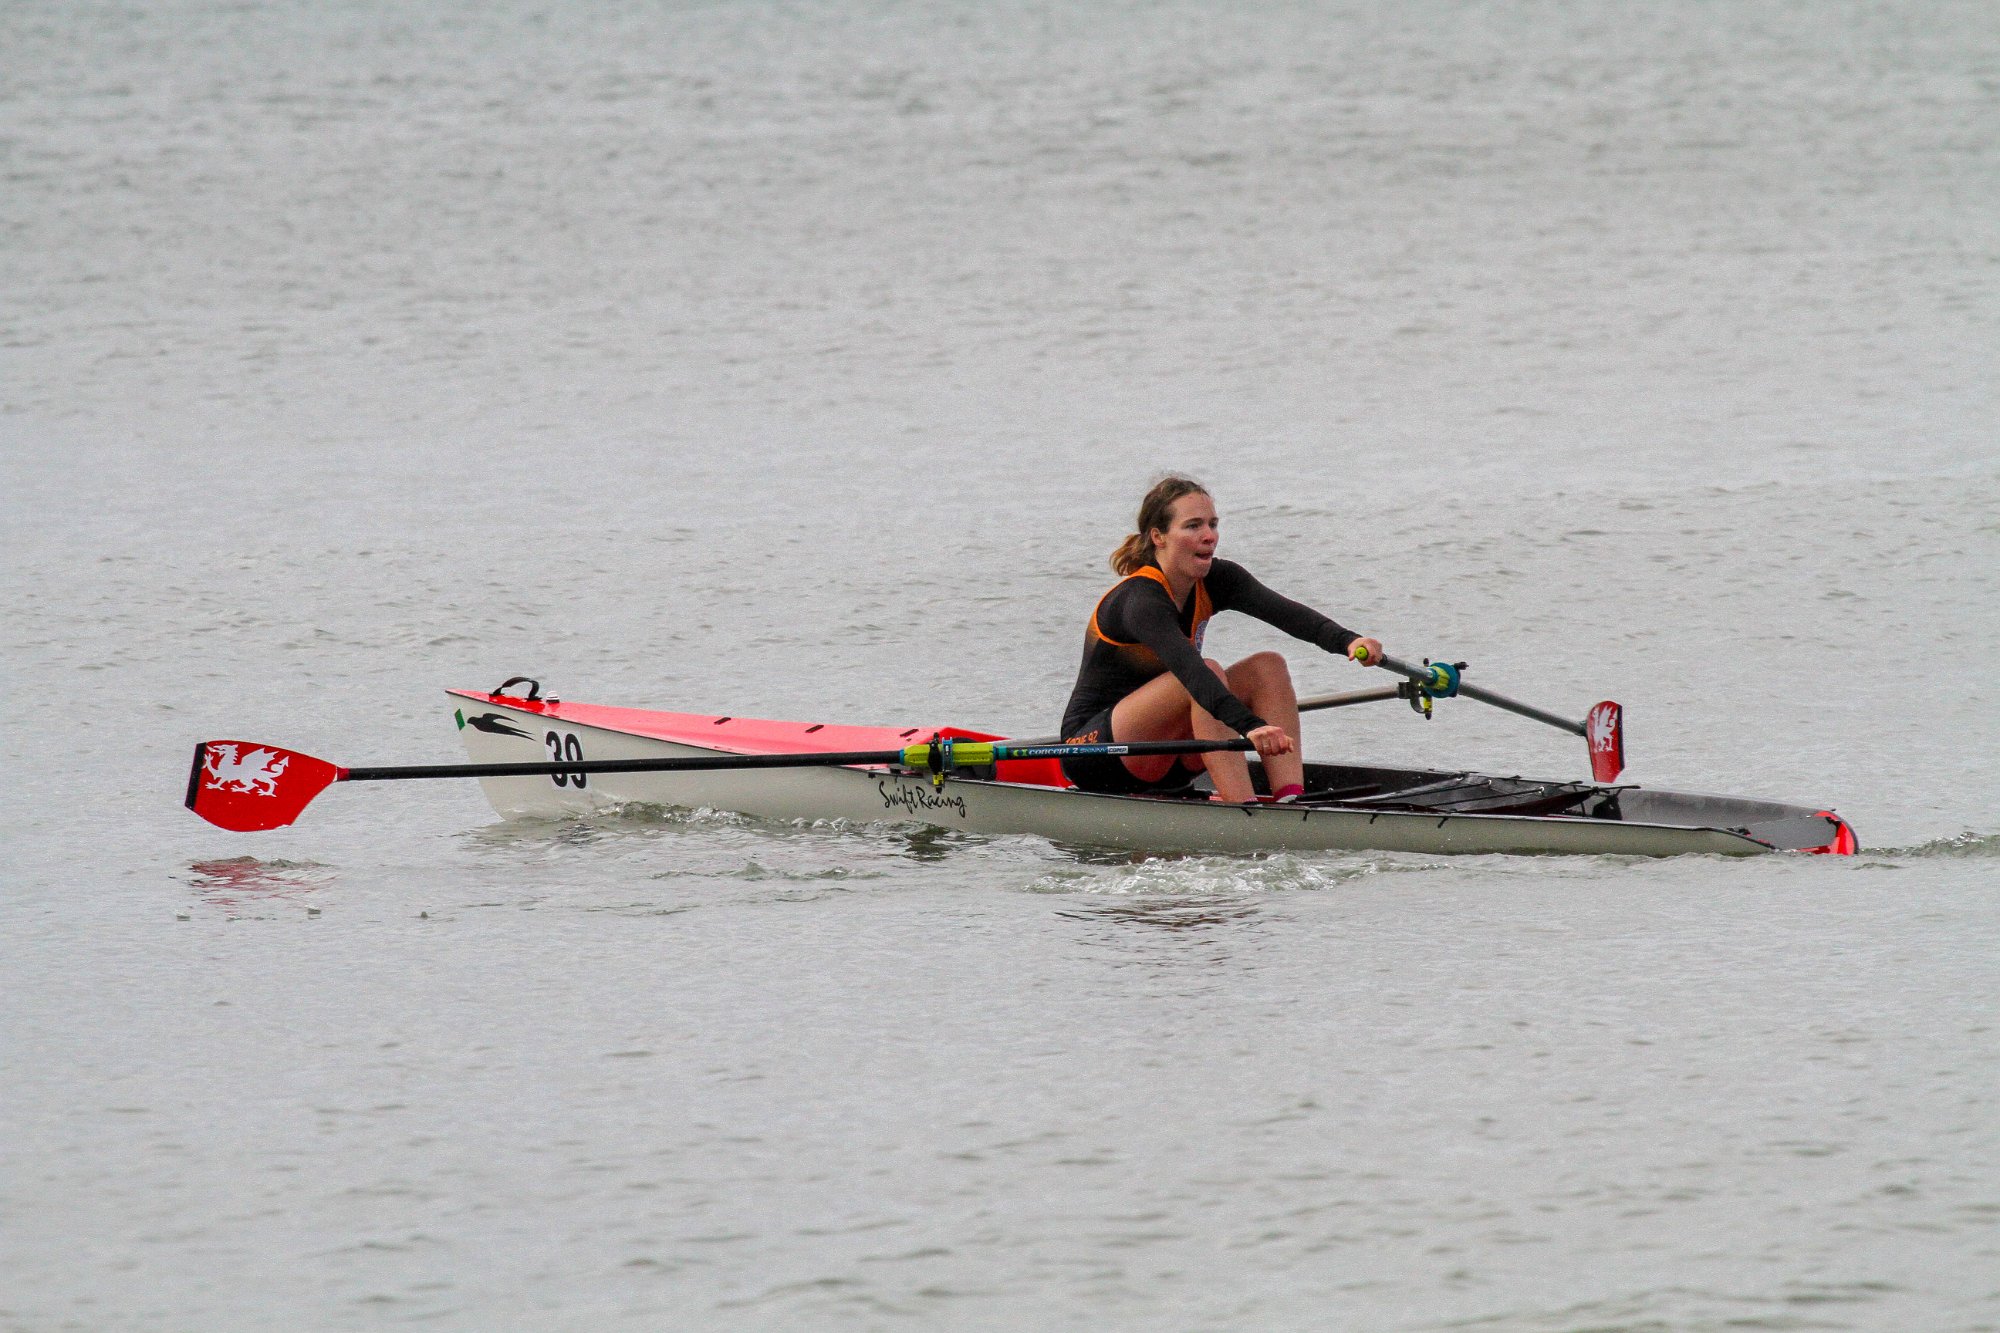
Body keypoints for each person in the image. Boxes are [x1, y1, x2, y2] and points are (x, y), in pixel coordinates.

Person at [1058, 476, 1384, 803]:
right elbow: (1192, 672)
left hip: (1169, 754)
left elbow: (1289, 615)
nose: (1209, 536)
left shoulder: (1219, 579)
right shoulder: (1140, 600)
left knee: (1268, 667)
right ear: (1159, 537)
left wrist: (1349, 641)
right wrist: (1251, 726)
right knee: (1208, 671)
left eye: (1213, 524)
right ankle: (1243, 808)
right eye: (1193, 526)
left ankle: (1289, 799)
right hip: (1096, 753)